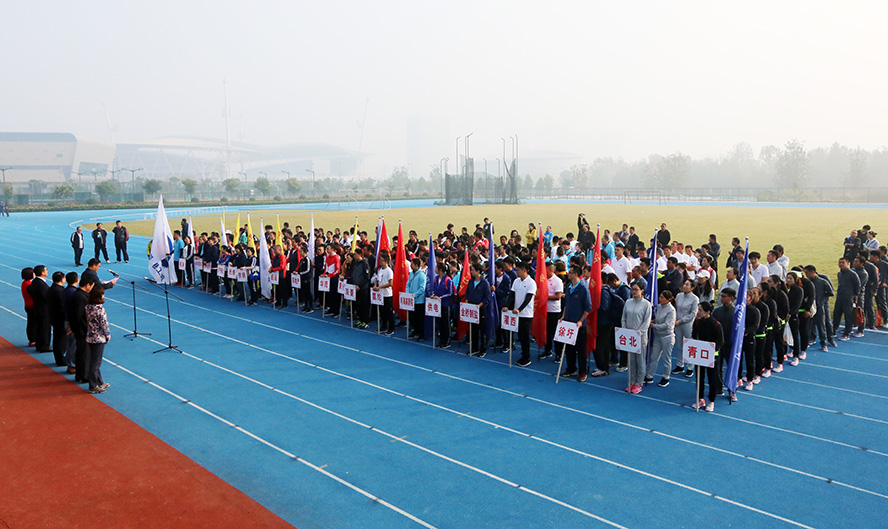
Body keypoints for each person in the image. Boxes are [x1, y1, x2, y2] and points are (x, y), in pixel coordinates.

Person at [559, 265, 592, 382]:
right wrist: (563, 317)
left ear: (576, 274)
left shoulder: (583, 289)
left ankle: (582, 371)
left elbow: (588, 307)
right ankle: (571, 368)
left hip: (579, 325)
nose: (568, 273)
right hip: (568, 322)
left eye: (571, 272)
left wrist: (581, 320)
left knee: (581, 349)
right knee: (569, 348)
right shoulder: (568, 287)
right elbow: (567, 304)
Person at [692, 301, 724, 412]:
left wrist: (712, 350)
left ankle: (711, 400)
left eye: (700, 310)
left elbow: (720, 341)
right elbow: (694, 335)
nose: (698, 312)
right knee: (699, 377)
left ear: (708, 312)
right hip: (699, 354)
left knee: (712, 378)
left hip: (712, 356)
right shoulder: (697, 322)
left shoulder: (716, 324)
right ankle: (700, 398)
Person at [622, 282, 652, 394]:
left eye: (636, 289)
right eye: (632, 289)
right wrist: (624, 330)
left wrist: (638, 333)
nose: (634, 291)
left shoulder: (646, 304)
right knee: (631, 360)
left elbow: (646, 321)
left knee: (640, 361)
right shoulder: (628, 302)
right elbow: (623, 318)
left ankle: (639, 383)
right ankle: (631, 381)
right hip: (629, 336)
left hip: (640, 337)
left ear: (642, 290)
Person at [506, 262, 537, 367]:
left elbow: (528, 298)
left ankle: (526, 357)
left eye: (518, 270)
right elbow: (512, 294)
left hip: (526, 314)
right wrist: (507, 305)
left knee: (525, 336)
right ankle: (523, 354)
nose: (517, 272)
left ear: (524, 270)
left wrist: (519, 309)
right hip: (517, 313)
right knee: (519, 335)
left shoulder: (531, 283)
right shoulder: (516, 281)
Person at [68, 276, 95, 385]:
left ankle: (80, 374)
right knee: (84, 353)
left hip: (80, 329)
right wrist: (76, 328)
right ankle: (84, 375)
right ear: (87, 285)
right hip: (82, 330)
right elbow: (78, 315)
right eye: (91, 286)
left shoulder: (78, 294)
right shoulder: (81, 296)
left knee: (81, 352)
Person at [646, 289, 676, 388]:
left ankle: (666, 377)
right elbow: (657, 318)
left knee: (666, 358)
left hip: (667, 337)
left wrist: (654, 326)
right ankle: (649, 375)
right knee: (653, 356)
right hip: (658, 336)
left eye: (662, 297)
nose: (660, 299)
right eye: (659, 297)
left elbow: (668, 325)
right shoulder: (659, 307)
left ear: (668, 300)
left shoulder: (671, 310)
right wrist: (653, 321)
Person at [671, 279, 699, 377]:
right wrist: (675, 320)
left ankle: (690, 367)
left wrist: (681, 321)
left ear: (692, 288)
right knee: (679, 345)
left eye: (687, 285)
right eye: (684, 284)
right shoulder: (679, 296)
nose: (684, 286)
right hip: (677, 323)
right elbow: (675, 308)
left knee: (690, 345)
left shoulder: (695, 299)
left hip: (687, 324)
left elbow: (693, 314)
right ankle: (680, 364)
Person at [85, 284, 111, 394]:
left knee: (95, 360)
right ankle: (93, 385)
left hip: (90, 336)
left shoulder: (88, 307)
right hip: (98, 338)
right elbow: (103, 324)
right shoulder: (99, 309)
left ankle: (99, 381)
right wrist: (107, 335)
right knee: (95, 363)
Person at [464, 263, 490, 357]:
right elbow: (467, 293)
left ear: (478, 271)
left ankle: (483, 349)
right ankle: (474, 347)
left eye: (473, 270)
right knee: (473, 329)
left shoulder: (485, 283)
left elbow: (487, 297)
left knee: (482, 330)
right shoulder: (471, 281)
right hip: (471, 308)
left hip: (481, 309)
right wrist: (467, 302)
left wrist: (480, 305)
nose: (471, 272)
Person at [541, 261, 564, 360]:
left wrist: (545, 297)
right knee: (546, 332)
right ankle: (547, 350)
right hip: (544, 309)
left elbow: (558, 296)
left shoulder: (557, 281)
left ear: (550, 270)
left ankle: (558, 353)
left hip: (554, 311)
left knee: (555, 333)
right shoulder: (542, 279)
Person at [27, 265, 52, 352]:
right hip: (43, 309)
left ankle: (40, 344)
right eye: (46, 270)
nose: (47, 271)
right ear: (42, 272)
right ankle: (44, 345)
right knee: (44, 328)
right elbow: (46, 297)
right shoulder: (40, 284)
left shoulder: (35, 282)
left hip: (38, 308)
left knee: (40, 327)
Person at [47, 271, 68, 367]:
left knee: (58, 338)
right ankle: (60, 359)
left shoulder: (51, 289)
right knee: (61, 339)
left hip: (54, 317)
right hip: (60, 318)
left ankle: (59, 357)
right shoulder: (60, 291)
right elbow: (62, 306)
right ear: (62, 279)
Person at [373, 255, 395, 335]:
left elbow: (390, 283)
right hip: (381, 294)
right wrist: (375, 285)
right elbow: (377, 278)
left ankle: (391, 328)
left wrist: (379, 287)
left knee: (389, 312)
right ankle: (384, 327)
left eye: (382, 260)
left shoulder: (389, 271)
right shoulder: (380, 270)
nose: (380, 262)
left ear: (386, 261)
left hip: (387, 294)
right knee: (382, 312)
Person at [406, 258, 427, 341]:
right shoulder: (411, 274)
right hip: (412, 300)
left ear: (416, 265)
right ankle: (415, 331)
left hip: (419, 300)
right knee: (413, 317)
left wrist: (414, 295)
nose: (411, 266)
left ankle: (421, 334)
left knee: (420, 318)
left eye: (412, 264)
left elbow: (422, 288)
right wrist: (408, 293)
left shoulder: (422, 275)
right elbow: (408, 284)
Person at [21, 267, 36, 347]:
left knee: (31, 323)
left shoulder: (25, 283)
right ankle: (32, 339)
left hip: (28, 304)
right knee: (32, 323)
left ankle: (32, 339)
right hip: (31, 305)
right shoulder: (28, 284)